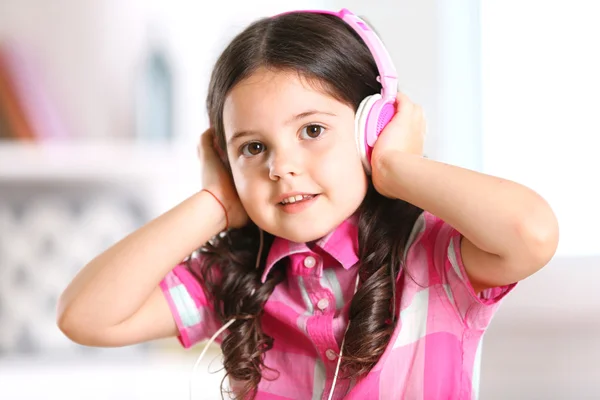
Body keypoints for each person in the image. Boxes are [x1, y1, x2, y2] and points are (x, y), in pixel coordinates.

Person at [56, 8, 559, 400]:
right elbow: (84, 316)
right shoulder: (238, 278)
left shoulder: (432, 257)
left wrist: (394, 167)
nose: (280, 167)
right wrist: (214, 202)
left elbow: (532, 234)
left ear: (372, 127)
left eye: (312, 130)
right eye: (253, 148)